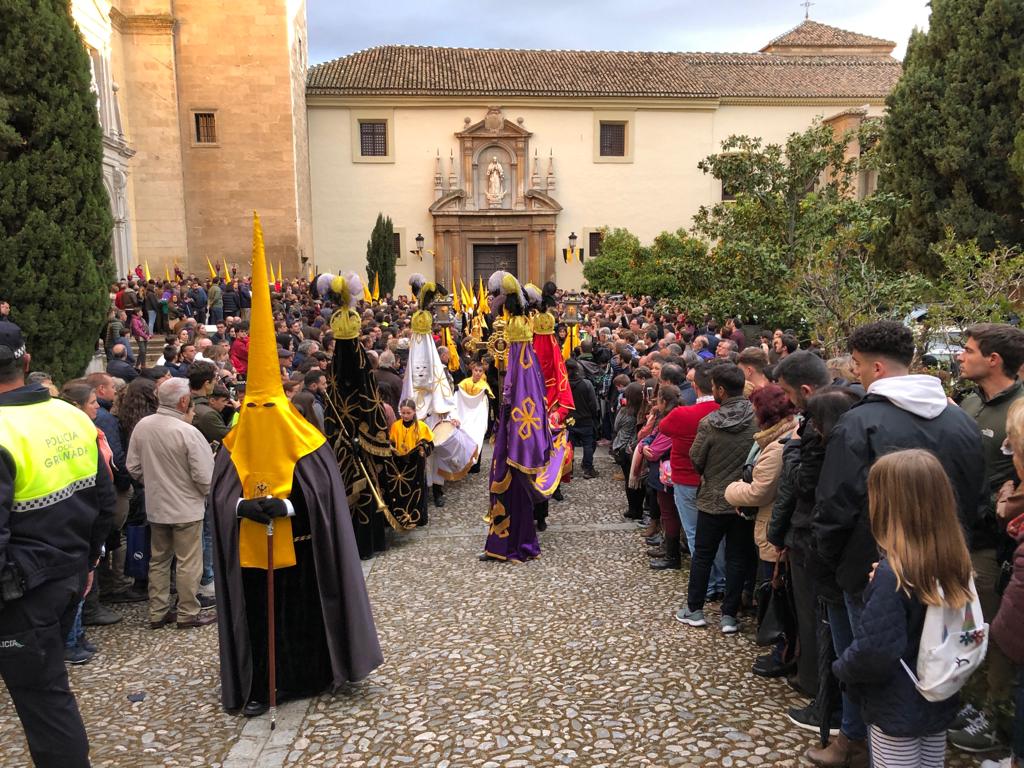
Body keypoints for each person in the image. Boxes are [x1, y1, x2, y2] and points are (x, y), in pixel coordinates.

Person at [210, 216, 382, 717]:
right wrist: (244, 504)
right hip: (250, 563)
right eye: (254, 408)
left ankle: (311, 675)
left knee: (304, 620)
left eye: (269, 407)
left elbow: (323, 500)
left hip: (303, 558)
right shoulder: (233, 443)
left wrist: (286, 504)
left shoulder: (307, 442)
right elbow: (219, 500)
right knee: (261, 626)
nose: (261, 417)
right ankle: (261, 686)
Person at [812, 321, 986, 766]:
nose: (855, 374)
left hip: (874, 570)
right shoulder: (961, 420)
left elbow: (834, 505)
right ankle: (927, 739)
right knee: (933, 652)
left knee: (872, 660)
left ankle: (860, 741)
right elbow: (974, 493)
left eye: (855, 365)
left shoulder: (859, 423)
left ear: (873, 366)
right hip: (947, 564)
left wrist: (830, 567)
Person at [0, 321, 114, 767]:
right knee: (46, 692)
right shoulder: (71, 415)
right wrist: (88, 564)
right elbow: (104, 502)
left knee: (44, 701)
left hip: (20, 593)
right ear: (26, 363)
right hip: (65, 577)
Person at [833, 449, 974, 767]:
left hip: (896, 702)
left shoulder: (892, 573)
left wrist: (842, 668)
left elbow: (876, 650)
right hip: (938, 693)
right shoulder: (955, 560)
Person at [952, 323, 1024, 752]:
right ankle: (972, 700)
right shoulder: (971, 400)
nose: (961, 356)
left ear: (993, 360)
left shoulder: (1019, 409)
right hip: (960, 532)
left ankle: (996, 723)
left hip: (995, 544)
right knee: (966, 623)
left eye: (969, 350)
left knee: (993, 630)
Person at [126, 377, 216, 630]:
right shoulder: (187, 431)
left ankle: (158, 611)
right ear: (184, 401)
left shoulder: (143, 426)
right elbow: (205, 477)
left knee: (159, 560)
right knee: (189, 561)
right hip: (186, 506)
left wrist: (155, 481)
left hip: (156, 504)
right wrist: (199, 493)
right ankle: (187, 612)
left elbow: (132, 467)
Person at [677, 361, 757, 634]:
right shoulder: (756, 419)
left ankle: (695, 608)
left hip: (713, 497)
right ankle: (729, 615)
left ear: (721, 390)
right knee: (737, 557)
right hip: (744, 500)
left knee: (703, 554)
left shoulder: (709, 423)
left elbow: (696, 458)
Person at [390, 398, 434, 527]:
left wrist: (422, 448)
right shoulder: (395, 426)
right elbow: (392, 443)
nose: (405, 416)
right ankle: (403, 515)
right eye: (403, 413)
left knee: (419, 489)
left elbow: (430, 444)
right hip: (401, 464)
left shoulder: (421, 426)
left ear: (414, 412)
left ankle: (420, 517)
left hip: (416, 464)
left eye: (408, 413)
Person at [567, 357, 600, 478]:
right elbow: (593, 404)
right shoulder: (586, 384)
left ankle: (568, 470)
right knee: (588, 444)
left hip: (569, 419)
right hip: (585, 418)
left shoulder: (563, 385)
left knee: (569, 445)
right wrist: (594, 417)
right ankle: (588, 469)